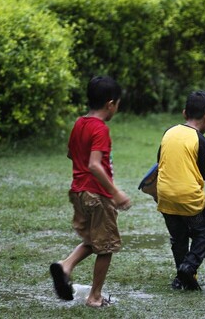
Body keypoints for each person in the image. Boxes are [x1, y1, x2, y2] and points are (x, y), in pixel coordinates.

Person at [49, 75, 131, 307]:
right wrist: (115, 192)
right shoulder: (100, 129)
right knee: (106, 247)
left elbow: (71, 154)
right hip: (97, 194)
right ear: (110, 104)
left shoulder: (80, 123)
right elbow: (95, 164)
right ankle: (94, 296)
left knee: (93, 239)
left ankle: (65, 266)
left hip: (78, 192)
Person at [155, 90, 205, 290]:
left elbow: (160, 163)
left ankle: (180, 278)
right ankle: (189, 267)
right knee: (204, 233)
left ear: (184, 113)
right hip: (189, 198)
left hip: (164, 197)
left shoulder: (168, 133)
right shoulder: (199, 139)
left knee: (179, 238)